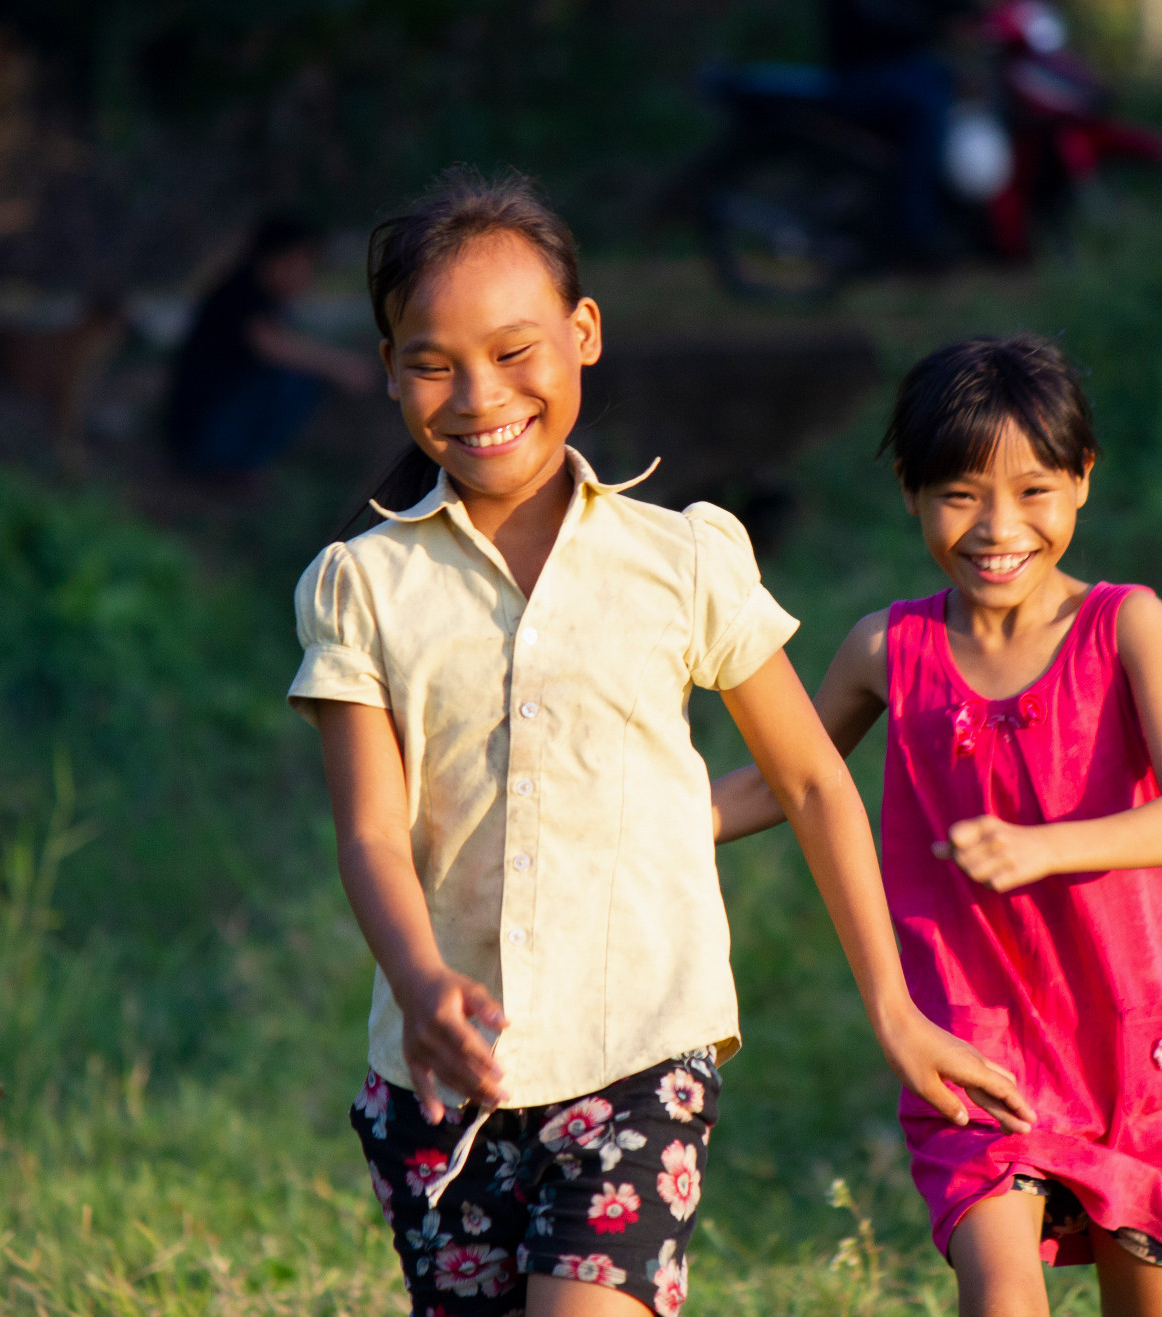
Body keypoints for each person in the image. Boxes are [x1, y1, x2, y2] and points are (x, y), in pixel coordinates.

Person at [289, 169, 1032, 1317]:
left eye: (514, 349)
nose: (477, 393)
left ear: (583, 334)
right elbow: (370, 833)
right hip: (436, 1091)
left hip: (639, 1055)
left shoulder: (681, 558)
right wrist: (418, 978)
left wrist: (893, 1009)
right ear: (389, 370)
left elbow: (810, 780)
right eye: (431, 361)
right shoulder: (360, 585)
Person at [713, 336, 1162, 1317]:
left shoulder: (1125, 627)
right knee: (1001, 1297)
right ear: (909, 492)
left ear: (1082, 484)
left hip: (1131, 1045)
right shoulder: (888, 648)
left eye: (1033, 491)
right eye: (960, 494)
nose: (996, 527)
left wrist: (1044, 847)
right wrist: (631, 822)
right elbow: (781, 782)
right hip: (971, 1046)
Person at [163, 212, 376, 477]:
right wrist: (340, 365)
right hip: (202, 426)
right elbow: (271, 345)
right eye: (304, 262)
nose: (308, 274)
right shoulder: (240, 293)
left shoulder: (266, 299)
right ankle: (224, 466)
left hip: (210, 420)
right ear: (278, 258)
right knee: (293, 381)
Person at [820, 0, 980, 257]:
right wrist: (935, 28)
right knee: (927, 110)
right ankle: (914, 229)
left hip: (901, 63)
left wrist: (977, 6)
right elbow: (871, 15)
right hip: (864, 70)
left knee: (966, 89)